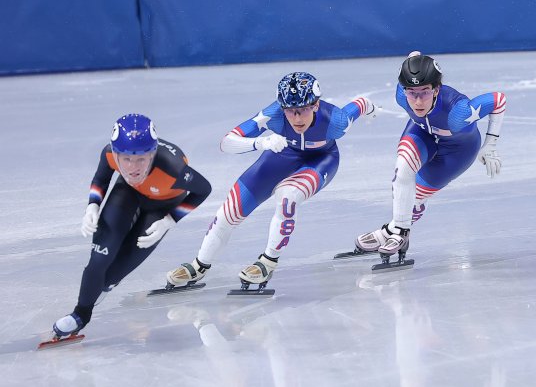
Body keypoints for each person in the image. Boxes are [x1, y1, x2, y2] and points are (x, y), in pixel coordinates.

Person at [166, 72, 376, 289]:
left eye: (302, 109)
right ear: (281, 107)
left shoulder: (335, 121)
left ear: (315, 105)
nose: (296, 118)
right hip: (280, 155)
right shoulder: (273, 114)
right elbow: (227, 142)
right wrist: (261, 143)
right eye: (290, 111)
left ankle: (267, 262)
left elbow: (360, 104)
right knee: (228, 213)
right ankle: (200, 265)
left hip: (321, 160)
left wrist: (370, 109)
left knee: (288, 195)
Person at [51, 114, 212, 339]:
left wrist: (170, 220)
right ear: (115, 153)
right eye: (125, 159)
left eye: (142, 159)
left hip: (162, 207)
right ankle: (80, 314)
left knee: (112, 276)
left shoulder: (173, 168)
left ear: (153, 154)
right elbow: (101, 179)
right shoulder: (108, 153)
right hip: (127, 194)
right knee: (99, 260)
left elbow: (203, 190)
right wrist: (92, 206)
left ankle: (105, 287)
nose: (133, 167)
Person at [353, 51, 507, 263]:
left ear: (436, 89)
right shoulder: (402, 96)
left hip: (457, 150)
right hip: (423, 132)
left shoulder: (458, 113)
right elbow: (413, 59)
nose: (417, 101)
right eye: (411, 92)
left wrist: (490, 145)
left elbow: (499, 100)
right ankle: (400, 232)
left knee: (416, 196)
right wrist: (414, 57)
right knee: (403, 167)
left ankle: (391, 230)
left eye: (424, 92)